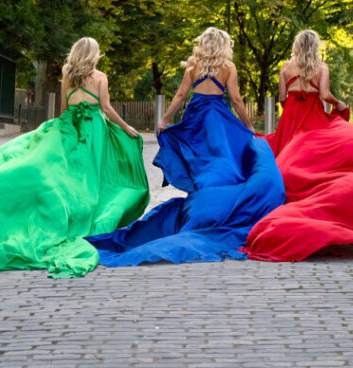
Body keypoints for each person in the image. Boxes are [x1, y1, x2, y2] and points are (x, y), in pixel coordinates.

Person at [0, 37, 149, 278]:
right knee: (87, 179)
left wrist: (61, 127)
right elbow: (105, 108)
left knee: (49, 168)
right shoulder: (100, 78)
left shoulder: (68, 74)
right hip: (92, 131)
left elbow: (64, 109)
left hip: (68, 128)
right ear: (94, 55)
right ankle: (82, 214)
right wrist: (126, 127)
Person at [88, 27, 285, 265]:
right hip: (218, 118)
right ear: (224, 45)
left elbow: (181, 95)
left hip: (195, 118)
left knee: (198, 160)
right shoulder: (228, 67)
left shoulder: (192, 65)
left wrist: (166, 119)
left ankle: (203, 199)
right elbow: (235, 99)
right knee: (224, 160)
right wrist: (248, 126)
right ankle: (220, 204)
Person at [244, 30, 353, 262]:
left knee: (283, 156)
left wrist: (289, 105)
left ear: (297, 45)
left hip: (291, 116)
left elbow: (281, 97)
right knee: (315, 157)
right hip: (312, 116)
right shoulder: (321, 67)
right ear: (315, 46)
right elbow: (325, 94)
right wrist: (337, 103)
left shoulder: (286, 67)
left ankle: (278, 198)